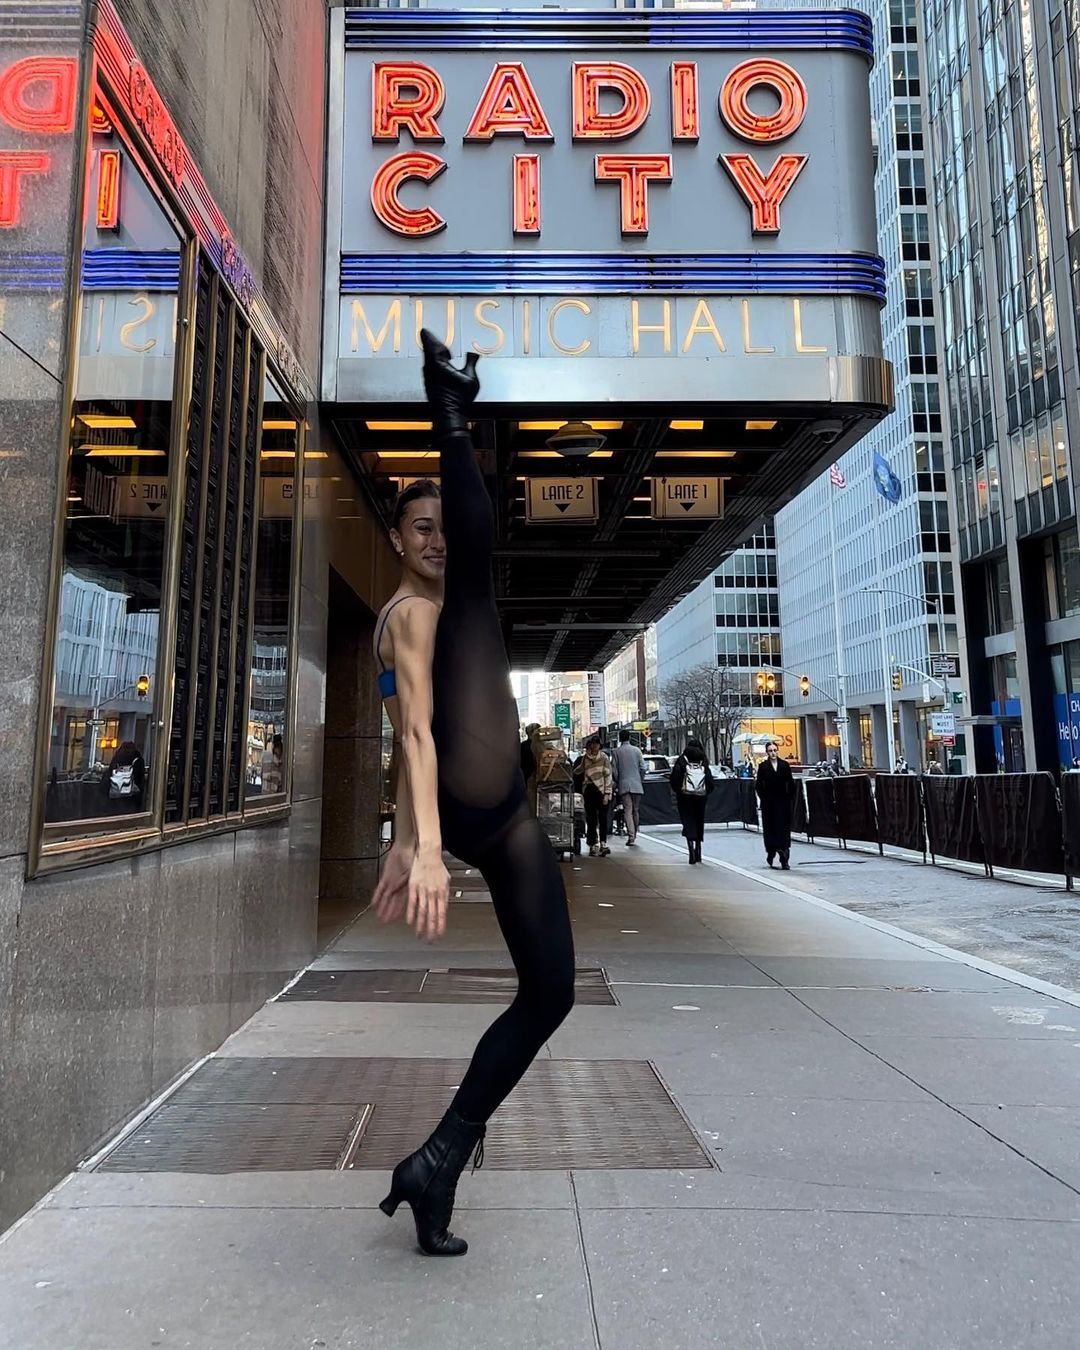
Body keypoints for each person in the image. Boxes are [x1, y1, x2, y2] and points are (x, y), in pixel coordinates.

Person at [370, 333, 575, 1257]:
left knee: (551, 990)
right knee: (473, 595)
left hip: (503, 817)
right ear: (395, 540)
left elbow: (405, 734)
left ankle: (438, 1162)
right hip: (467, 800)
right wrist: (420, 849)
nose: (436, 540)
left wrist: (407, 838)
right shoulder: (414, 615)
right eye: (422, 529)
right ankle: (449, 411)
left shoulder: (429, 612)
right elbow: (415, 732)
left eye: (442, 527)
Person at [669, 738, 714, 863]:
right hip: (700, 797)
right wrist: (706, 791)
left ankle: (690, 848)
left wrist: (679, 791)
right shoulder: (703, 760)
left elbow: (675, 778)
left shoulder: (682, 760)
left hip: (684, 796)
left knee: (687, 820)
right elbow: (709, 780)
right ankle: (698, 848)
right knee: (699, 820)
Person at [755, 739, 796, 870]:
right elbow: (758, 785)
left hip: (783, 802)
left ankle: (784, 855)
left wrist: (789, 797)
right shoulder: (763, 767)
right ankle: (771, 851)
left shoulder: (784, 765)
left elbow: (790, 782)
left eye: (774, 750)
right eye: (770, 751)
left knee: (783, 829)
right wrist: (763, 798)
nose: (773, 753)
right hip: (769, 803)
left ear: (777, 751)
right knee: (770, 828)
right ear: (767, 752)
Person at [575, 735, 612, 856]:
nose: (595, 746)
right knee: (591, 819)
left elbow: (608, 776)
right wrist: (569, 771)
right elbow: (580, 769)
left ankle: (603, 843)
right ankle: (592, 844)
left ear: (600, 745)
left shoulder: (604, 758)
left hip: (601, 790)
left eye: (597, 743)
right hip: (589, 790)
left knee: (602, 818)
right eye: (593, 743)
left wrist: (607, 794)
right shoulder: (586, 758)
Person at [612, 728, 646, 846]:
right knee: (635, 810)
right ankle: (634, 832)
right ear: (629, 737)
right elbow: (643, 767)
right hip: (637, 784)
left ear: (620, 738)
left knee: (627, 810)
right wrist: (639, 779)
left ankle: (631, 836)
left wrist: (618, 781)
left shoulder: (616, 752)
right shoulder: (637, 750)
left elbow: (614, 770)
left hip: (624, 784)